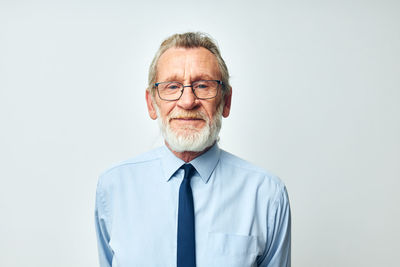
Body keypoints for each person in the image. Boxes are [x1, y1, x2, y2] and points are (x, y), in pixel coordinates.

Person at [95, 32, 291, 267]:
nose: (188, 101)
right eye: (172, 86)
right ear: (151, 103)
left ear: (226, 101)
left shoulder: (267, 195)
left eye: (202, 85)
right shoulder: (114, 188)